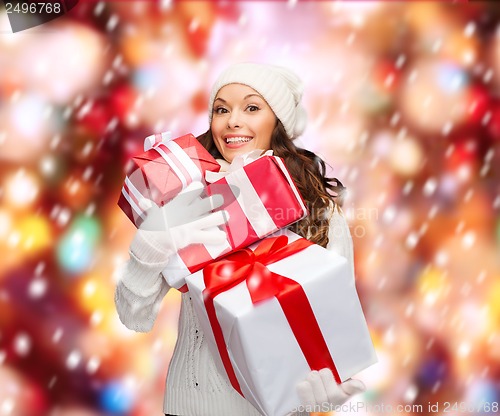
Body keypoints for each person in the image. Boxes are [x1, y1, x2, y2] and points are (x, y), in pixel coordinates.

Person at [114, 62, 366, 416]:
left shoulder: (319, 211)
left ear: (277, 122)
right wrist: (149, 247)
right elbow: (133, 315)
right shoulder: (190, 195)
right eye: (221, 109)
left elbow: (337, 322)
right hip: (191, 407)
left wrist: (326, 397)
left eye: (251, 107)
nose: (232, 120)